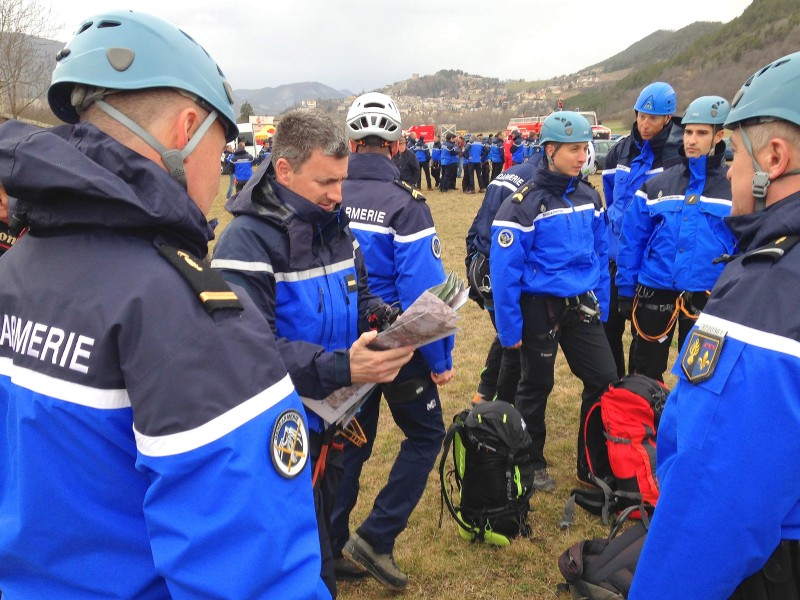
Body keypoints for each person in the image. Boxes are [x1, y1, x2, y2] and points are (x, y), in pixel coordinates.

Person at [0, 10, 330, 599]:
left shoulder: (16, 266)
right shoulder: (189, 313)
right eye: (222, 140)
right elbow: (250, 575)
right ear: (186, 130)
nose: (223, 164)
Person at [211, 109, 413, 597]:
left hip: (333, 420)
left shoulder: (336, 225)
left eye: (342, 181)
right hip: (280, 433)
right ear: (284, 171)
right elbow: (248, 349)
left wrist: (385, 318)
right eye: (327, 181)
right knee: (298, 562)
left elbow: (358, 294)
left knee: (324, 530)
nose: (338, 194)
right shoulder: (246, 242)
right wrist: (343, 367)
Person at [630, 50, 800, 599]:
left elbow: (716, 492)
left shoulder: (771, 290)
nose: (730, 169)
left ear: (775, 156)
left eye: (737, 151)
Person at [331, 92, 455, 592]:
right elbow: (423, 293)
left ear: (352, 142)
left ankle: (328, 542)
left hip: (344, 340)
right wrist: (440, 359)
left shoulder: (328, 192)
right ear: (397, 142)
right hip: (395, 344)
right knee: (425, 436)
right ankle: (376, 537)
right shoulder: (406, 204)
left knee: (350, 445)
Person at [490, 111, 618, 491]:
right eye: (574, 149)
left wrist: (604, 306)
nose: (583, 157)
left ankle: (591, 463)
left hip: (580, 303)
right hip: (538, 307)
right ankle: (531, 463)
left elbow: (601, 252)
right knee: (536, 385)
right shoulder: (521, 204)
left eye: (585, 149)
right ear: (550, 150)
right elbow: (504, 273)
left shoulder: (588, 196)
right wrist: (510, 328)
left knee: (605, 379)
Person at [616, 95, 737, 382]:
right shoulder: (657, 184)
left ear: (719, 136)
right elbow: (633, 238)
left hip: (707, 295)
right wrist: (624, 288)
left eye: (702, 133)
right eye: (689, 132)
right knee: (644, 372)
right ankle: (643, 425)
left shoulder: (734, 188)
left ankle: (686, 426)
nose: (692, 140)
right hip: (654, 289)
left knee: (700, 377)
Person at [602, 81, 683, 377]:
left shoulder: (678, 155)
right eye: (641, 116)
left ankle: (638, 399)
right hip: (614, 261)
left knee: (645, 349)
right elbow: (611, 201)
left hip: (652, 266)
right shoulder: (618, 153)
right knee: (607, 333)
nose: (645, 124)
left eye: (652, 118)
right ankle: (612, 396)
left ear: (667, 119)